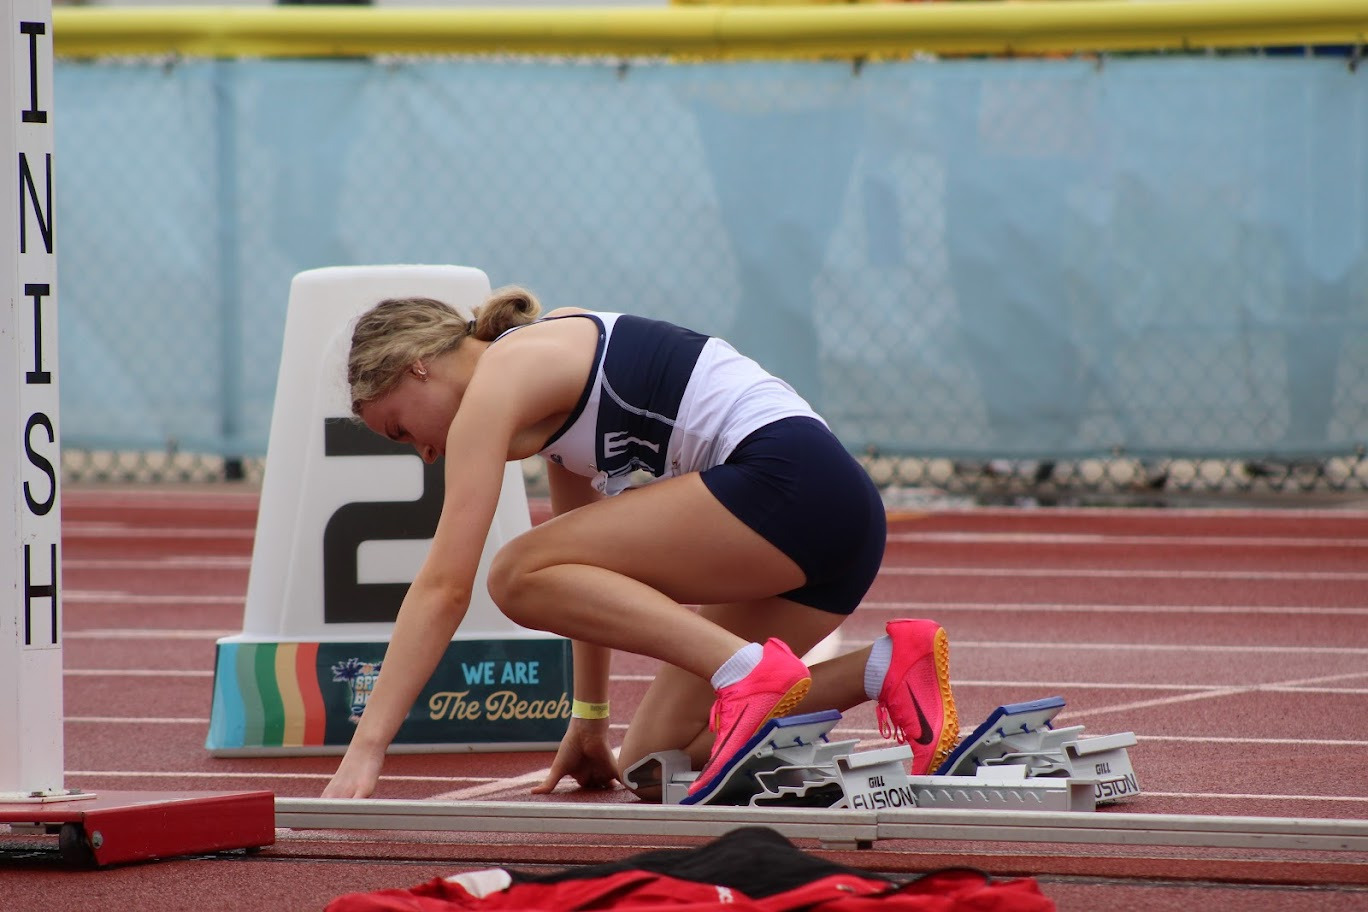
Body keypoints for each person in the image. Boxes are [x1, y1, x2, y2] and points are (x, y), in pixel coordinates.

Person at [321, 286, 959, 803]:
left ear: (417, 367)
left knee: (511, 572)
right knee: (657, 760)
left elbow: (444, 587)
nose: (426, 454)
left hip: (794, 483)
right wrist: (589, 718)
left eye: (402, 430)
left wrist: (367, 747)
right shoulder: (537, 395)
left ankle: (746, 671)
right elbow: (581, 574)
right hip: (827, 530)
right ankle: (885, 666)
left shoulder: (500, 383)